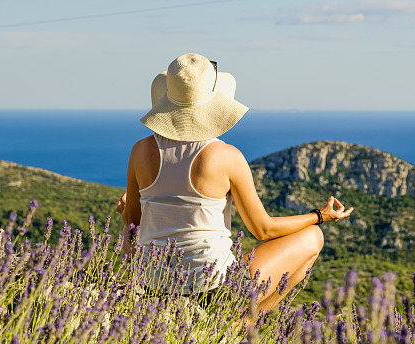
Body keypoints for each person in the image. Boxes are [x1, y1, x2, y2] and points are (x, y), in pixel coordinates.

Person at [116, 53, 354, 314]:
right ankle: (243, 324)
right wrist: (320, 216)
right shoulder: (226, 156)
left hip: (154, 286)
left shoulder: (140, 151)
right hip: (214, 288)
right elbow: (264, 229)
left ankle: (237, 323)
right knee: (312, 237)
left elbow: (132, 226)